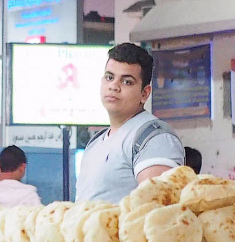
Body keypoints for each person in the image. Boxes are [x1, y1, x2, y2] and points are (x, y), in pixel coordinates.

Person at [74, 42, 185, 204]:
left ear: (144, 93)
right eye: (109, 77)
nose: (114, 86)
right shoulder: (96, 143)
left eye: (127, 82)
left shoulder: (154, 139)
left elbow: (156, 209)